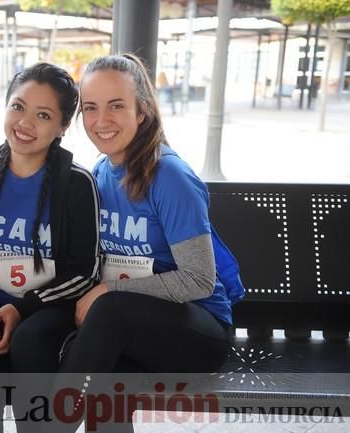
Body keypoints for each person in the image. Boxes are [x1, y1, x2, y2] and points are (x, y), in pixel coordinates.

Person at [54, 54, 243, 430]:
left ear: (141, 112)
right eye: (90, 108)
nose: (101, 120)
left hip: (198, 331)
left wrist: (107, 291)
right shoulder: (100, 173)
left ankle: (50, 425)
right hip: (129, 324)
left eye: (116, 106)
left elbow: (198, 280)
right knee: (103, 377)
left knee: (109, 313)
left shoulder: (168, 175)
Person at [0, 63, 100, 432]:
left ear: (63, 126)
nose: (25, 123)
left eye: (43, 115)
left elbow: (85, 272)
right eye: (17, 107)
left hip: (48, 308)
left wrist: (22, 309)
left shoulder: (76, 184)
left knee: (30, 340)